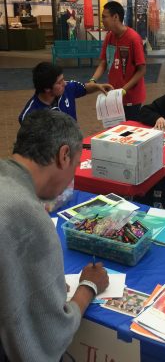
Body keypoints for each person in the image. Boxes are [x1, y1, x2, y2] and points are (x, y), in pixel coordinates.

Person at [0, 109, 109, 361]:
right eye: (75, 166)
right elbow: (48, 337)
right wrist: (89, 286)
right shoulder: (25, 214)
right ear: (63, 155)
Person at [91, 1, 146, 121]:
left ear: (115, 17)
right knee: (114, 133)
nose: (102, 20)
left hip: (131, 99)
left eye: (104, 17)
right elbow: (103, 63)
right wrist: (93, 80)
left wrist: (123, 90)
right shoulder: (109, 37)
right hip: (113, 97)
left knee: (129, 134)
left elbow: (141, 70)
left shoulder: (133, 38)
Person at [18, 62, 113, 124]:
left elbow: (84, 88)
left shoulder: (67, 88)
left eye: (63, 79)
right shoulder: (30, 115)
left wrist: (98, 87)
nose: (64, 83)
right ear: (47, 89)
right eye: (59, 82)